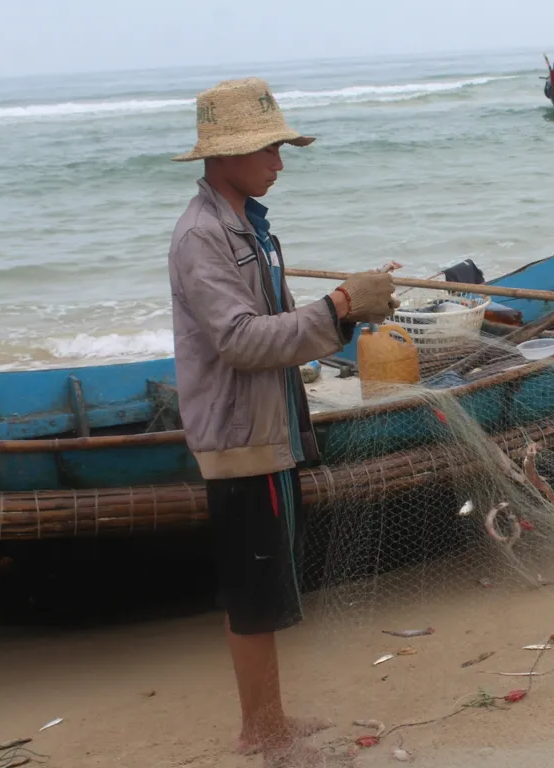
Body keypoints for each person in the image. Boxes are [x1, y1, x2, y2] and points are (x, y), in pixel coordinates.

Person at [168, 77, 398, 766]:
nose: (279, 162)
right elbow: (240, 341)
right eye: (268, 148)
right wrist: (338, 306)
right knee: (253, 591)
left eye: (280, 148)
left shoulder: (250, 228)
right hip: (240, 438)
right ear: (226, 155)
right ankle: (260, 733)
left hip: (268, 430)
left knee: (266, 585)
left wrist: (347, 311)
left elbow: (279, 328)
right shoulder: (202, 236)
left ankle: (272, 718)